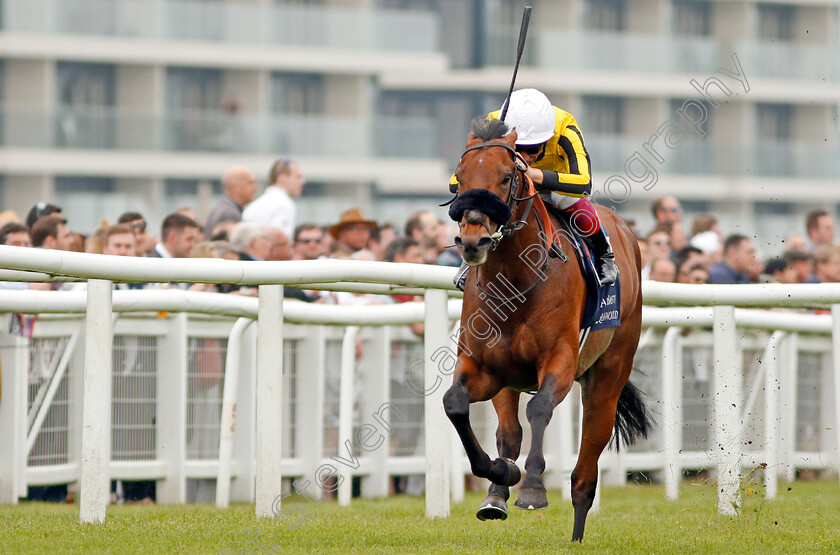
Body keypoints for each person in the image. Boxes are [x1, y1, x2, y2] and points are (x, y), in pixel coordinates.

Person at [451, 88, 617, 289]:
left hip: (556, 183)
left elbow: (584, 183)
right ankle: (472, 255)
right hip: (510, 181)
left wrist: (532, 173)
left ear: (547, 139)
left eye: (533, 149)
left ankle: (603, 252)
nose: (525, 156)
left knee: (571, 201)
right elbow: (456, 181)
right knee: (487, 198)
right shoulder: (492, 125)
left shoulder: (566, 130)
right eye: (518, 148)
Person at [242, 158, 305, 237]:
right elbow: (280, 241)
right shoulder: (284, 205)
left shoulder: (253, 206)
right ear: (282, 178)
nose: (302, 181)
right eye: (297, 177)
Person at [204, 166, 257, 240]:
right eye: (250, 183)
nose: (255, 187)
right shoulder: (231, 214)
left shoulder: (220, 207)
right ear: (235, 187)